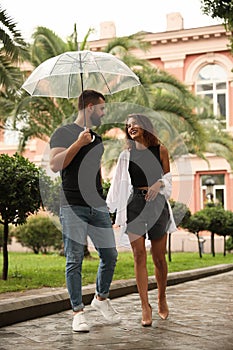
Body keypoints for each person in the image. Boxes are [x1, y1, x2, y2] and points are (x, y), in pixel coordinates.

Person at [49, 89, 120, 333]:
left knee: (110, 255)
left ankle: (100, 298)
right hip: (72, 205)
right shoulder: (63, 133)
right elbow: (55, 164)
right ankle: (78, 312)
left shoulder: (97, 139)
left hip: (96, 205)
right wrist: (78, 143)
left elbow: (94, 174)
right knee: (74, 259)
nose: (104, 113)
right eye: (101, 108)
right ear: (90, 108)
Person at [106, 114, 176, 327]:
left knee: (159, 258)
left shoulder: (161, 150)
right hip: (135, 205)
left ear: (144, 126)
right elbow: (117, 183)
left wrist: (159, 184)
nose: (130, 127)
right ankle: (145, 306)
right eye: (127, 125)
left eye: (134, 123)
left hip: (157, 206)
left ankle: (161, 297)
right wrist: (109, 209)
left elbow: (169, 180)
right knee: (138, 256)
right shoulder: (126, 155)